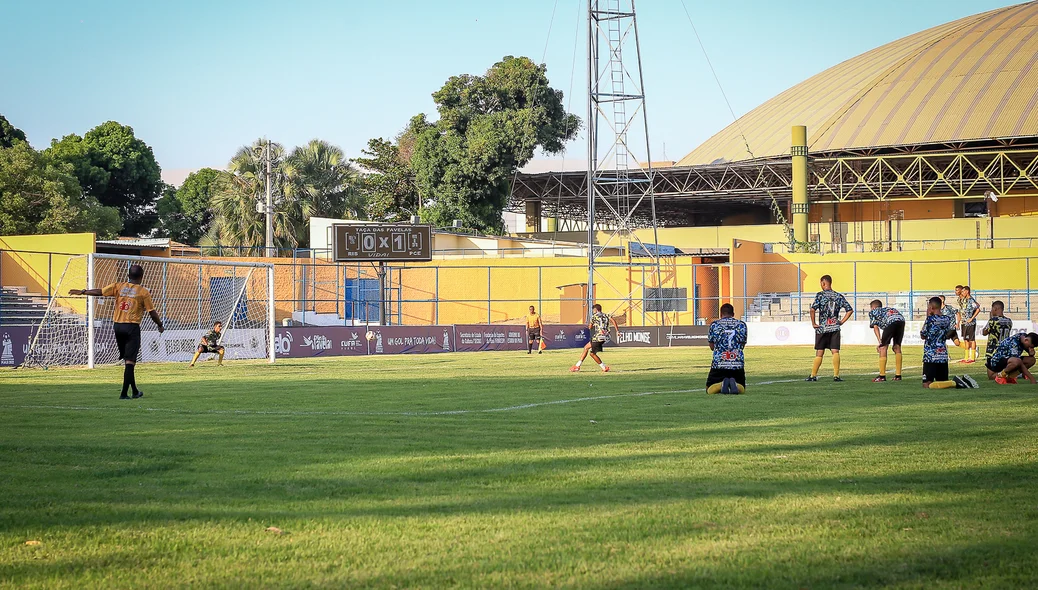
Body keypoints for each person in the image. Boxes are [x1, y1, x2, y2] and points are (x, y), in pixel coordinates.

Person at [69, 264, 164, 399]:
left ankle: (135, 391)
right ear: (142, 277)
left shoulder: (118, 286)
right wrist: (159, 324)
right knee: (130, 362)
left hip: (117, 327)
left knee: (128, 362)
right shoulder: (143, 292)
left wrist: (83, 292)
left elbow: (100, 291)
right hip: (131, 327)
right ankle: (124, 393)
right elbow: (152, 312)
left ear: (128, 275)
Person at [920, 297, 978, 389]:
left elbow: (923, 335)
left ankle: (956, 383)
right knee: (942, 381)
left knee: (927, 384)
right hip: (943, 355)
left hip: (931, 355)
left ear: (931, 307)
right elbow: (950, 331)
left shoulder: (930, 320)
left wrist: (928, 317)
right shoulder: (947, 319)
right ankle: (959, 382)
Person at [807, 275, 853, 382]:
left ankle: (813, 375)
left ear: (823, 283)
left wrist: (814, 323)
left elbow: (812, 309)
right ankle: (836, 375)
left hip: (823, 327)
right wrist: (841, 321)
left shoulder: (820, 295)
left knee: (820, 351)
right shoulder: (838, 296)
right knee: (835, 351)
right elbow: (849, 310)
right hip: (834, 327)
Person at [706, 303, 748, 394]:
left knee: (709, 388)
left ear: (720, 314)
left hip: (719, 363)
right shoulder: (742, 325)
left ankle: (721, 384)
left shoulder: (714, 325)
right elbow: (742, 346)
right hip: (737, 363)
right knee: (742, 387)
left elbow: (712, 347)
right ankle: (735, 385)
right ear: (733, 314)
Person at [570, 304, 619, 373]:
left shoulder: (594, 316)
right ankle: (577, 366)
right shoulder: (606, 315)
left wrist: (590, 326)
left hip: (598, 337)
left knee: (592, 354)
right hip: (605, 336)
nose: (593, 311)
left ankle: (604, 367)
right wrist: (617, 331)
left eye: (593, 310)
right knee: (586, 348)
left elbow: (590, 327)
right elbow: (613, 321)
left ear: (595, 310)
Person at [868, 300, 905, 382]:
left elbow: (875, 327)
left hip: (890, 322)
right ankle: (898, 376)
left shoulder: (873, 312)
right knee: (897, 347)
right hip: (901, 321)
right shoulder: (889, 309)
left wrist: (880, 342)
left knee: (883, 348)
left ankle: (882, 376)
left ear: (873, 307)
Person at [958, 286, 981, 363]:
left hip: (970, 323)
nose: (962, 293)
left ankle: (972, 357)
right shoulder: (964, 300)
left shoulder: (971, 300)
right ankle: (966, 357)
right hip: (964, 322)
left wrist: (971, 318)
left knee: (971, 339)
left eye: (963, 291)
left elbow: (978, 308)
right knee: (965, 339)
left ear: (967, 291)